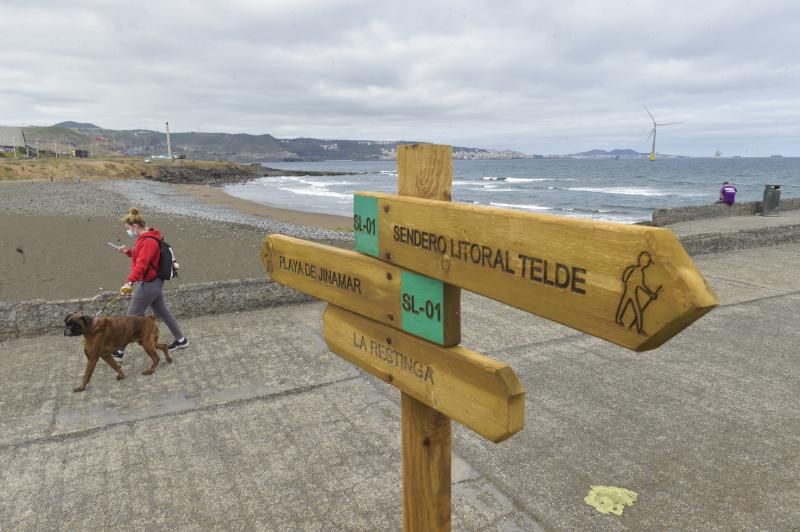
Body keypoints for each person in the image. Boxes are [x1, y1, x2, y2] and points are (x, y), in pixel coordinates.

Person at [112, 207, 188, 358]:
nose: (128, 232)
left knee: (131, 317)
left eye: (128, 229)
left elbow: (142, 264)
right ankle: (181, 340)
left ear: (135, 226)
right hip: (154, 282)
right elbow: (140, 254)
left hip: (150, 283)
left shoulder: (148, 241)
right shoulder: (148, 236)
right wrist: (127, 251)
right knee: (162, 311)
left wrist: (129, 282)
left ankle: (119, 350)